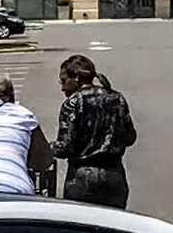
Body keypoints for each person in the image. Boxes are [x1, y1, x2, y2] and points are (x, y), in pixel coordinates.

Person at [52, 53, 135, 208]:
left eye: (63, 81)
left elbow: (65, 148)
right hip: (113, 176)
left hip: (82, 179)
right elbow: (130, 137)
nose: (63, 88)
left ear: (76, 77)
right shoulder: (116, 98)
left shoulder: (73, 103)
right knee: (114, 227)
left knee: (82, 227)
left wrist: (48, 147)